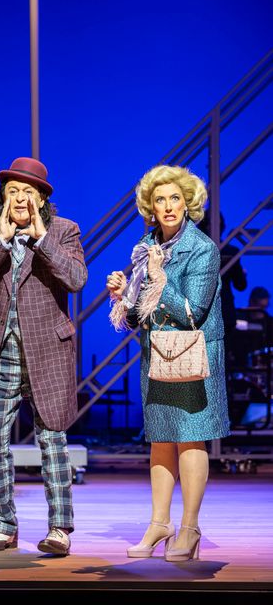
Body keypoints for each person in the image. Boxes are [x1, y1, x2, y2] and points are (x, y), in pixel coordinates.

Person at [0, 157, 88, 556]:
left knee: (52, 439)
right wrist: (0, 242)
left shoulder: (64, 231)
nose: (20, 198)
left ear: (42, 199)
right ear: (3, 198)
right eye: (13, 191)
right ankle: (3, 525)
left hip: (47, 350)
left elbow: (76, 279)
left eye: (28, 191)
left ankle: (59, 528)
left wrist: (41, 240)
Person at [107, 165, 229, 562]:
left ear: (188, 203)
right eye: (160, 200)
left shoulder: (202, 249)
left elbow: (193, 312)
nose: (168, 206)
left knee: (191, 438)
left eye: (175, 198)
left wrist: (159, 279)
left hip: (193, 356)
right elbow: (138, 317)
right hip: (158, 355)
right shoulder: (147, 248)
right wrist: (123, 297)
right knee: (160, 439)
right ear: (151, 208)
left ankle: (189, 528)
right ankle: (159, 523)